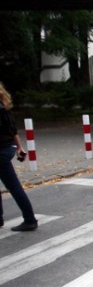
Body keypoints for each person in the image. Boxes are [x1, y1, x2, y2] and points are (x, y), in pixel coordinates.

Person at [0, 82, 38, 232]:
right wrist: (19, 147)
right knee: (13, 185)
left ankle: (30, 220)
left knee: (14, 186)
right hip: (8, 148)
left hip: (1, 150)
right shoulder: (4, 107)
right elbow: (13, 130)